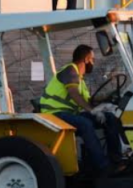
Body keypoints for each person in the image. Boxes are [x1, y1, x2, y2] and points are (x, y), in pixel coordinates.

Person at [39, 45, 125, 174]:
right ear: (86, 59)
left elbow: (89, 101)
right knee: (85, 124)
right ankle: (104, 166)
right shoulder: (70, 71)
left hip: (69, 114)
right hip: (54, 114)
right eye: (93, 60)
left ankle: (117, 159)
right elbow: (74, 93)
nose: (93, 63)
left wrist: (107, 101)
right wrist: (92, 111)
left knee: (109, 118)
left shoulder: (80, 79)